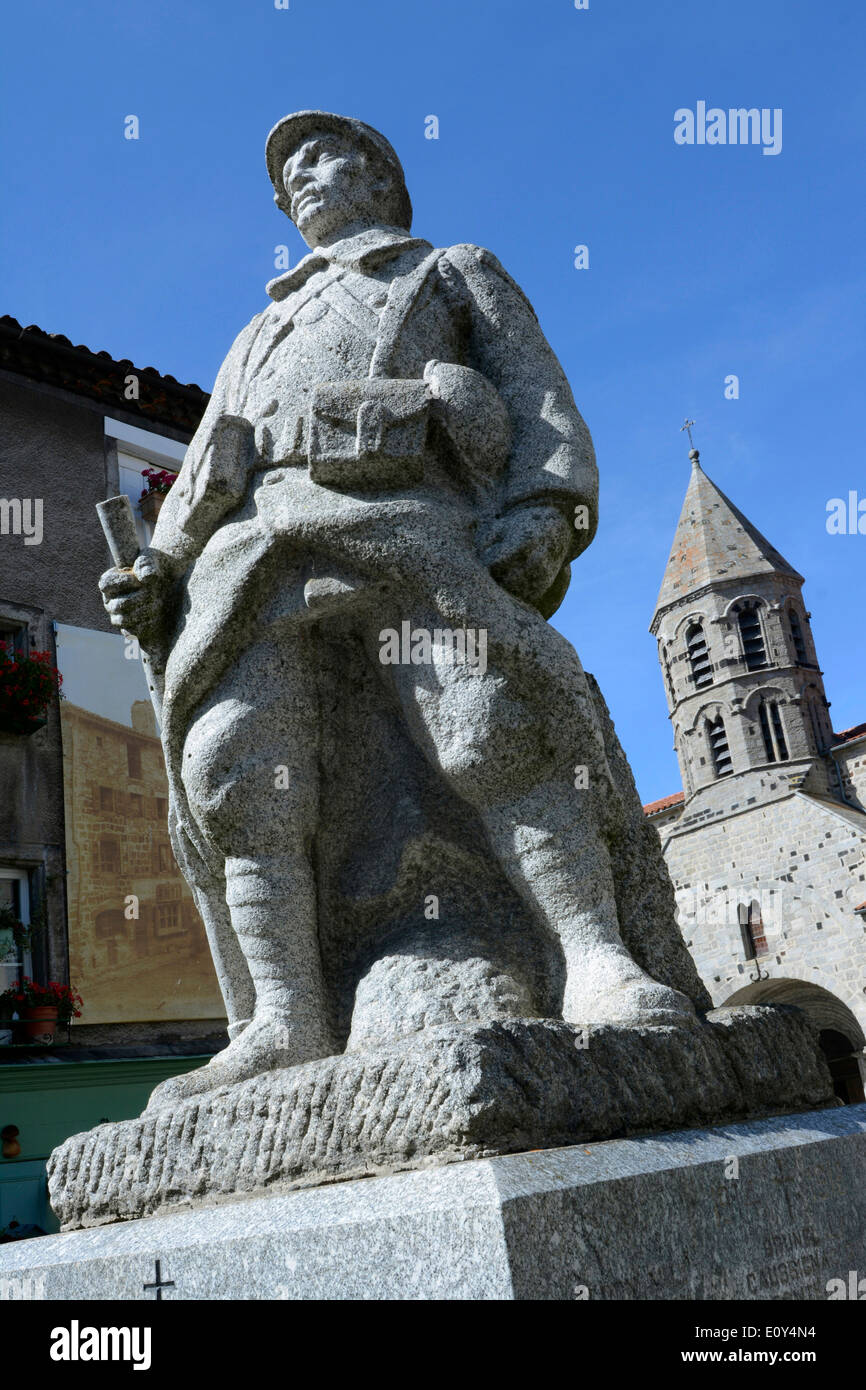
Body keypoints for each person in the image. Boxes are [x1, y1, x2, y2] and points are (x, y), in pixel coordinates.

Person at [100, 112, 706, 1106]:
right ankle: (287, 1019)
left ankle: (593, 958)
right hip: (253, 555)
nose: (299, 173)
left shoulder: (449, 269)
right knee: (235, 769)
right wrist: (157, 569)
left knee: (485, 725)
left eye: (320, 152)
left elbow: (537, 396)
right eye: (283, 169)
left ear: (379, 174)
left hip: (402, 522)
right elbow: (210, 463)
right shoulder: (257, 331)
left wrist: (545, 505)